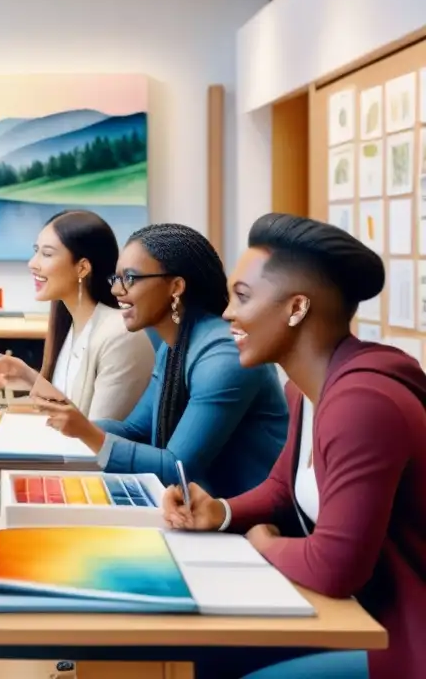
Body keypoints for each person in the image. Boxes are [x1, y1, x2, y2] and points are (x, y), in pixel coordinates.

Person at [164, 213, 426, 679]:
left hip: (404, 641)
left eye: (242, 297)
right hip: (366, 618)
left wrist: (262, 543)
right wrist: (219, 512)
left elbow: (334, 567)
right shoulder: (307, 390)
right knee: (202, 656)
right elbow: (286, 489)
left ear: (297, 308)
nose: (228, 313)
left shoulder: (362, 405)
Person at [32, 222, 289, 498]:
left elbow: (177, 468)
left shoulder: (224, 356)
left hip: (250, 529)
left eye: (130, 278)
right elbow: (137, 430)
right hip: (197, 514)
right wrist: (72, 425)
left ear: (176, 286)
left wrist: (87, 432)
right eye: (115, 279)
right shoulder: (175, 346)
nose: (117, 291)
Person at [0, 209, 154, 418]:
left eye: (47, 254)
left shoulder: (119, 336)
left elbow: (97, 435)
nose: (32, 263)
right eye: (36, 251)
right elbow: (71, 407)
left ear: (82, 268)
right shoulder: (72, 327)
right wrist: (26, 375)